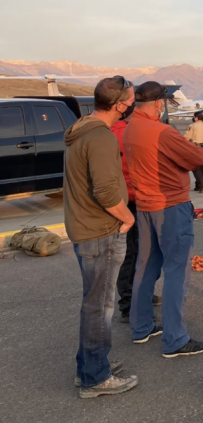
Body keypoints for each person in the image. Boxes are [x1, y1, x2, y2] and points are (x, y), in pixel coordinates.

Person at [64, 76, 138, 398]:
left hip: (83, 229)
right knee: (100, 307)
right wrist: (128, 217)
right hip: (100, 232)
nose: (132, 105)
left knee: (93, 303)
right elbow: (106, 192)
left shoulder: (82, 129)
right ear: (120, 104)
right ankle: (96, 377)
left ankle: (90, 366)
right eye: (131, 99)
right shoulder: (102, 138)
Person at [124, 81, 203, 357]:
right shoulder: (162, 132)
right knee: (176, 271)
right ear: (159, 104)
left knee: (145, 267)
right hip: (170, 206)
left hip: (145, 206)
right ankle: (175, 339)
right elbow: (196, 157)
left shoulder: (130, 129)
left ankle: (141, 327)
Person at [111, 103, 161, 323]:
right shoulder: (136, 132)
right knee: (134, 253)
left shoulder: (113, 131)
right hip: (136, 200)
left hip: (130, 198)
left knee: (136, 252)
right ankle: (130, 304)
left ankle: (138, 296)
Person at [184, 110, 203, 194]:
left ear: (195, 118)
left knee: (195, 167)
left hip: (196, 147)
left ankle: (202, 185)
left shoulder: (192, 126)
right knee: (202, 167)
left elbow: (186, 138)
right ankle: (198, 185)